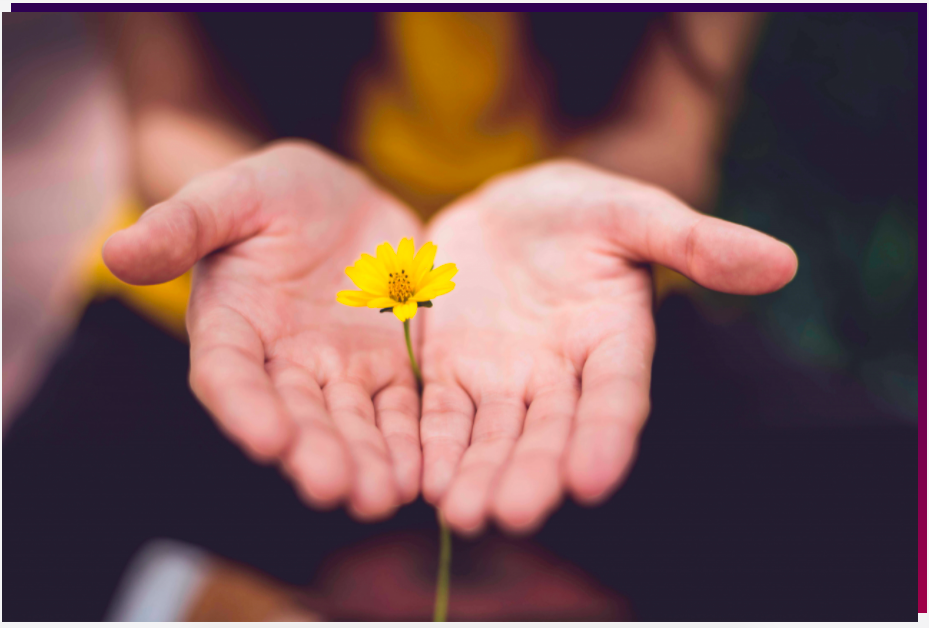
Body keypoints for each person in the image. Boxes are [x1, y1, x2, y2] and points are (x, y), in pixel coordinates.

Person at [3, 12, 912, 620]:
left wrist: (594, 194)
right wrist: (232, 202)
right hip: (250, 304)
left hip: (562, 312)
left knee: (883, 503)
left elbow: (666, 129)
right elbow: (171, 109)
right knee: (34, 537)